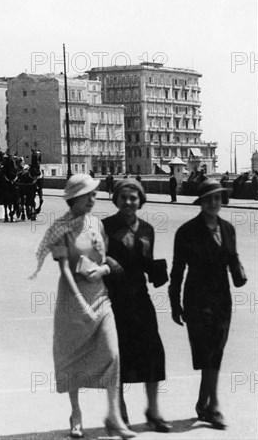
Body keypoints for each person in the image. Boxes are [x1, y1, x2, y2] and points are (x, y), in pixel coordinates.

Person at [30, 174, 135, 439]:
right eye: (89, 195)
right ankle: (76, 414)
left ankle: (114, 415)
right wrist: (78, 301)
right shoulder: (60, 228)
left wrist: (102, 268)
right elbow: (65, 269)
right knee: (72, 357)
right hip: (72, 302)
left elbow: (103, 258)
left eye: (94, 194)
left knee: (113, 354)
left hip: (100, 297)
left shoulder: (97, 224)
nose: (93, 199)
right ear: (75, 198)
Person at [169, 179, 247, 430]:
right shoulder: (187, 231)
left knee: (216, 351)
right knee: (208, 352)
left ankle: (205, 404)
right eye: (208, 199)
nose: (213, 203)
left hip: (222, 298)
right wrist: (174, 302)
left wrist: (238, 272)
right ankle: (211, 407)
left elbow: (232, 256)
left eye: (217, 198)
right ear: (200, 202)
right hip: (196, 299)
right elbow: (178, 270)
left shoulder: (227, 228)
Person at [102, 179, 171, 433]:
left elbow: (146, 262)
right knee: (117, 355)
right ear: (116, 200)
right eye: (124, 197)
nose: (129, 202)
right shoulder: (105, 226)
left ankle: (153, 411)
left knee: (153, 353)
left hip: (140, 298)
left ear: (141, 200)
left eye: (134, 197)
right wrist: (107, 257)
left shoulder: (148, 229)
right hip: (113, 298)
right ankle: (118, 412)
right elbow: (92, 255)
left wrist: (158, 272)